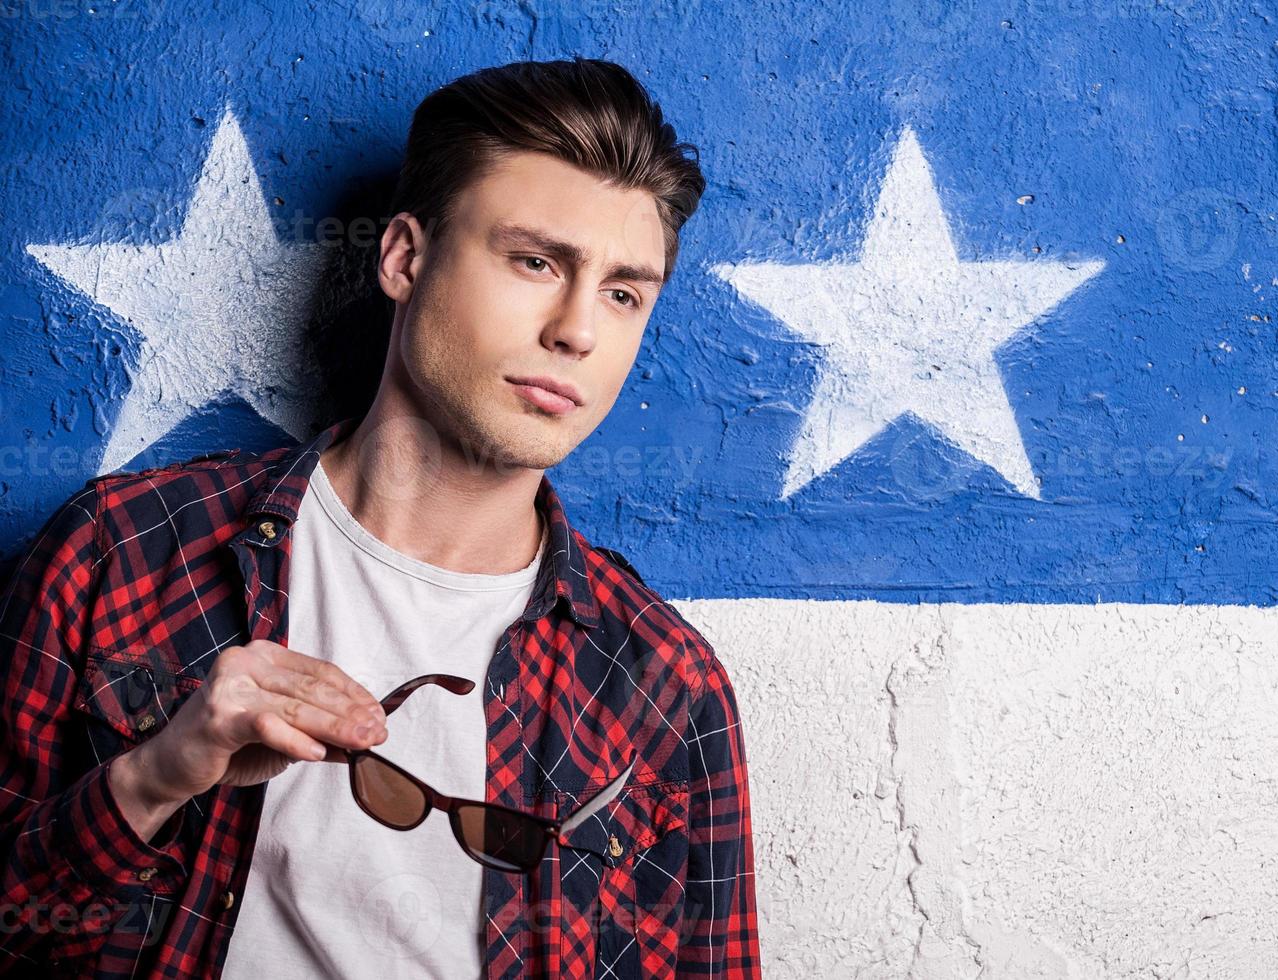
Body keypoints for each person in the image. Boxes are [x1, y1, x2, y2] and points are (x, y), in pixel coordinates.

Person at [0, 57, 760, 979]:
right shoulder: (121, 550)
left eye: (622, 292)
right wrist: (154, 778)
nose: (578, 331)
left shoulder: (666, 690)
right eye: (534, 261)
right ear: (404, 257)